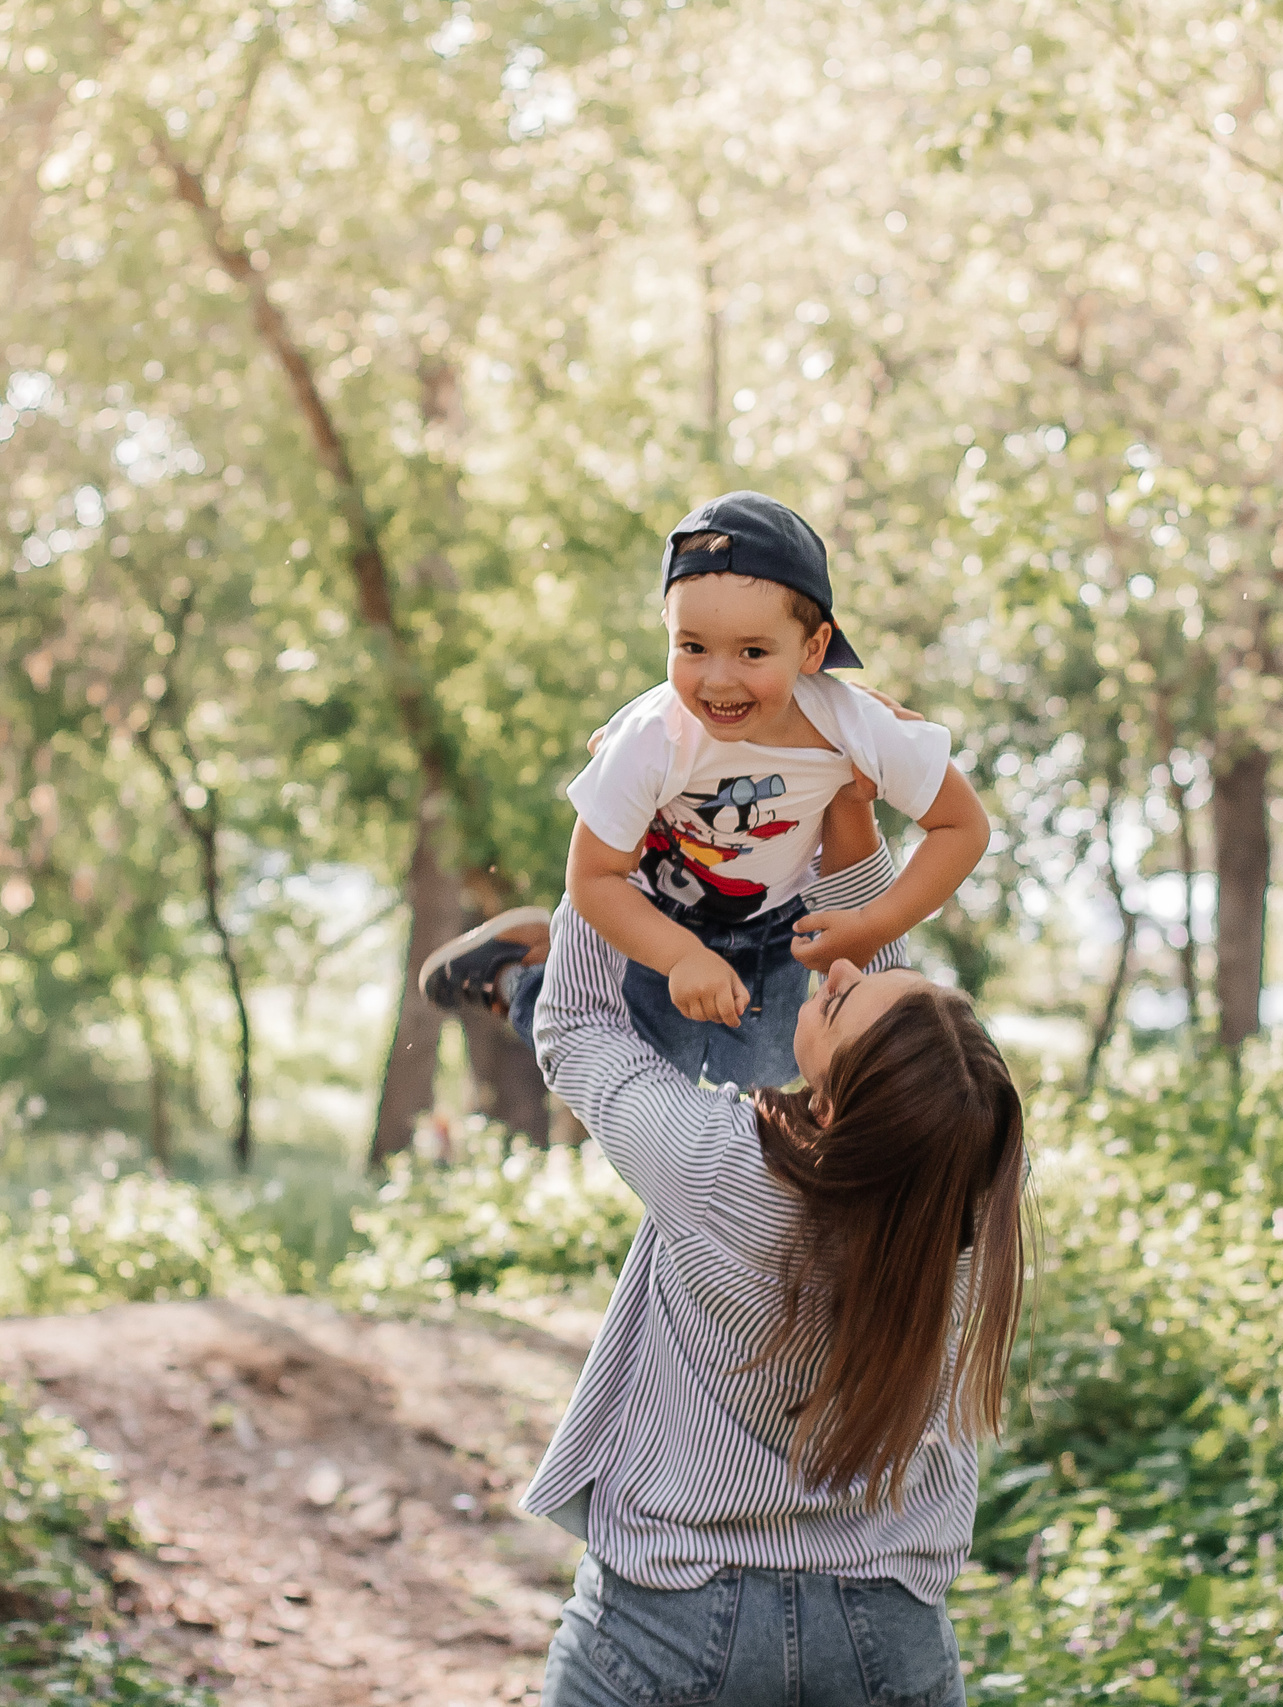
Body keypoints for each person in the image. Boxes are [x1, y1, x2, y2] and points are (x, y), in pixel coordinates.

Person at [421, 816, 1026, 1707]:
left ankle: (523, 969)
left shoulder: (720, 1168)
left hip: (670, 1618)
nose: (852, 966)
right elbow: (907, 1045)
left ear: (843, 1102)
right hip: (885, 1640)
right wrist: (849, 814)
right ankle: (531, 966)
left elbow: (581, 1029)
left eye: (843, 1001)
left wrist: (621, 824)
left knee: (612, 1031)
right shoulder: (965, 1209)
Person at [450, 490, 988, 1092]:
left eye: (753, 652)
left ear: (813, 649)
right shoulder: (653, 739)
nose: (718, 679)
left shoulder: (854, 724)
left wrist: (875, 924)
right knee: (639, 1064)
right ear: (668, 632)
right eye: (692, 647)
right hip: (657, 915)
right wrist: (680, 956)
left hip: (777, 923)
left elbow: (963, 826)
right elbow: (593, 876)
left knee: (770, 1072)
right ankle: (522, 974)